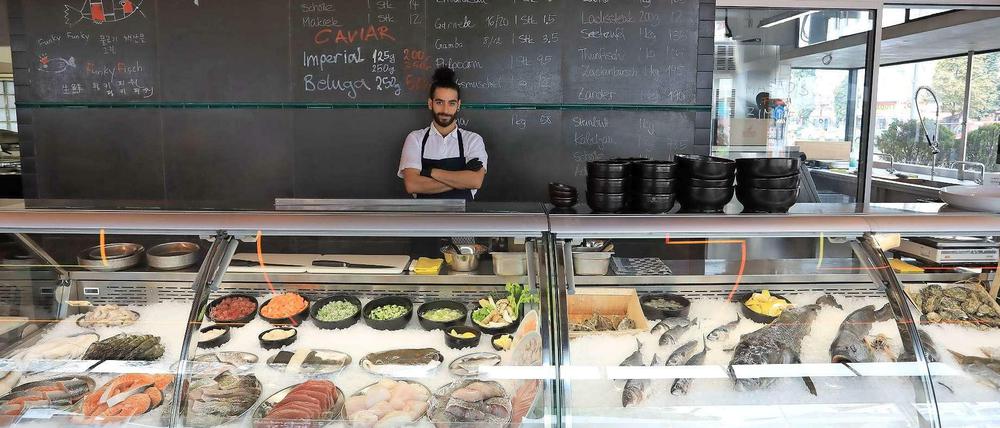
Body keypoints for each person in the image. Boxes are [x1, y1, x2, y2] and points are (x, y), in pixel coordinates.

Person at [398, 67, 487, 200]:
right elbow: (412, 185)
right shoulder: (415, 139)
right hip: (424, 219)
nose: (445, 110)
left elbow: (475, 181)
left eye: (451, 103)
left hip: (464, 219)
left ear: (458, 105)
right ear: (430, 103)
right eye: (439, 102)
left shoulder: (473, 140)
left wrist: (430, 172)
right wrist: (461, 179)